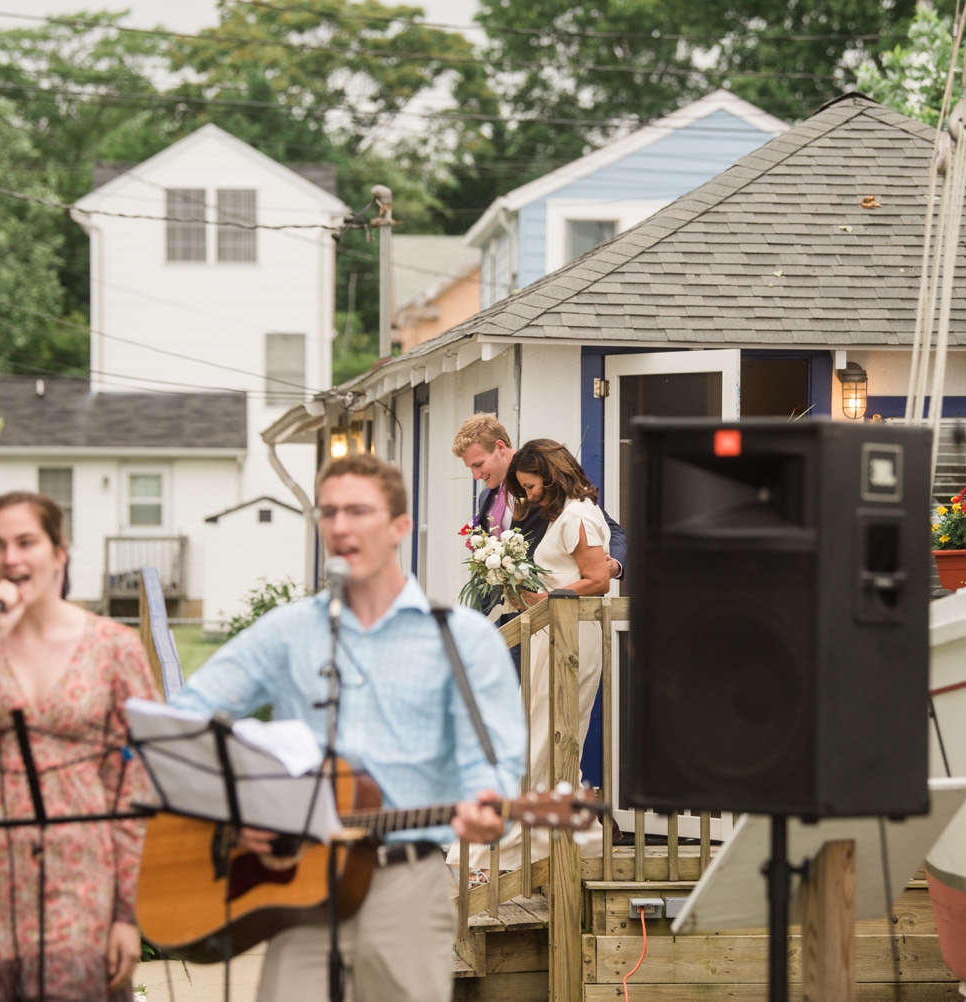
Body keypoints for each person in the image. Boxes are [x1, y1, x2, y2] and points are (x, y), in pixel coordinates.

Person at [170, 453, 526, 1002]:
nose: (340, 526)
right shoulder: (290, 630)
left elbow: (496, 762)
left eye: (358, 510)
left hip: (405, 885)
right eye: (328, 512)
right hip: (298, 884)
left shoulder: (463, 638)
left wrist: (488, 803)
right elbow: (185, 718)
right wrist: (236, 809)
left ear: (399, 527)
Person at [0, 492, 156, 1002]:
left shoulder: (114, 647)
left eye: (26, 542)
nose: (11, 558)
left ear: (59, 552)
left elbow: (134, 791)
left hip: (79, 885)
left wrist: (127, 914)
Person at [457, 438, 611, 875]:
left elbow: (597, 580)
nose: (528, 495)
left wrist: (550, 597)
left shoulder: (580, 514)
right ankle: (549, 841)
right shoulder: (557, 515)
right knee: (536, 738)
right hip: (550, 636)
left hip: (572, 638)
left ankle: (540, 846)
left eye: (530, 485)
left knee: (552, 739)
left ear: (550, 474)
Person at [452, 414, 626, 602]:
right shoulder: (486, 497)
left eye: (478, 464)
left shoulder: (553, 489)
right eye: (470, 467)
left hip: (549, 603)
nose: (475, 475)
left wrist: (613, 565)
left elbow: (607, 527)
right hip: (502, 612)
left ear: (500, 447)